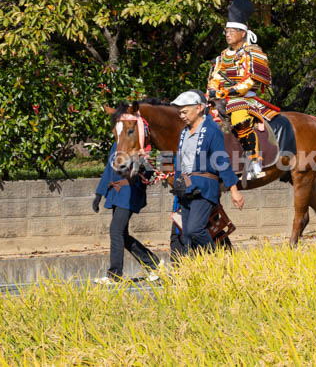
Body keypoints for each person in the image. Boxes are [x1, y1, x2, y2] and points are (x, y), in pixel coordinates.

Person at [207, 0, 277, 180]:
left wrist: (229, 91)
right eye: (226, 31)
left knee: (239, 118)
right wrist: (213, 90)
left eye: (231, 31)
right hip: (221, 99)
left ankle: (254, 159)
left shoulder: (253, 53)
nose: (227, 35)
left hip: (245, 99)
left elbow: (249, 82)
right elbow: (215, 77)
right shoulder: (222, 56)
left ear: (242, 33)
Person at [170, 89, 244, 258]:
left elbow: (221, 160)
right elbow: (179, 163)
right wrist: (177, 193)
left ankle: (214, 265)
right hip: (186, 189)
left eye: (185, 112)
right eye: (179, 112)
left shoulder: (211, 130)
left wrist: (234, 190)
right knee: (187, 235)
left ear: (199, 108)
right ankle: (195, 272)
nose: (181, 116)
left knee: (196, 229)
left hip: (204, 189)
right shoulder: (183, 133)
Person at [93, 138, 160, 284]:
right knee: (121, 233)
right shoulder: (117, 143)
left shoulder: (139, 143)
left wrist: (141, 172)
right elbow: (108, 169)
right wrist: (99, 193)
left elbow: (150, 167)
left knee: (115, 230)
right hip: (116, 193)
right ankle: (152, 263)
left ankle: (115, 275)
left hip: (129, 193)